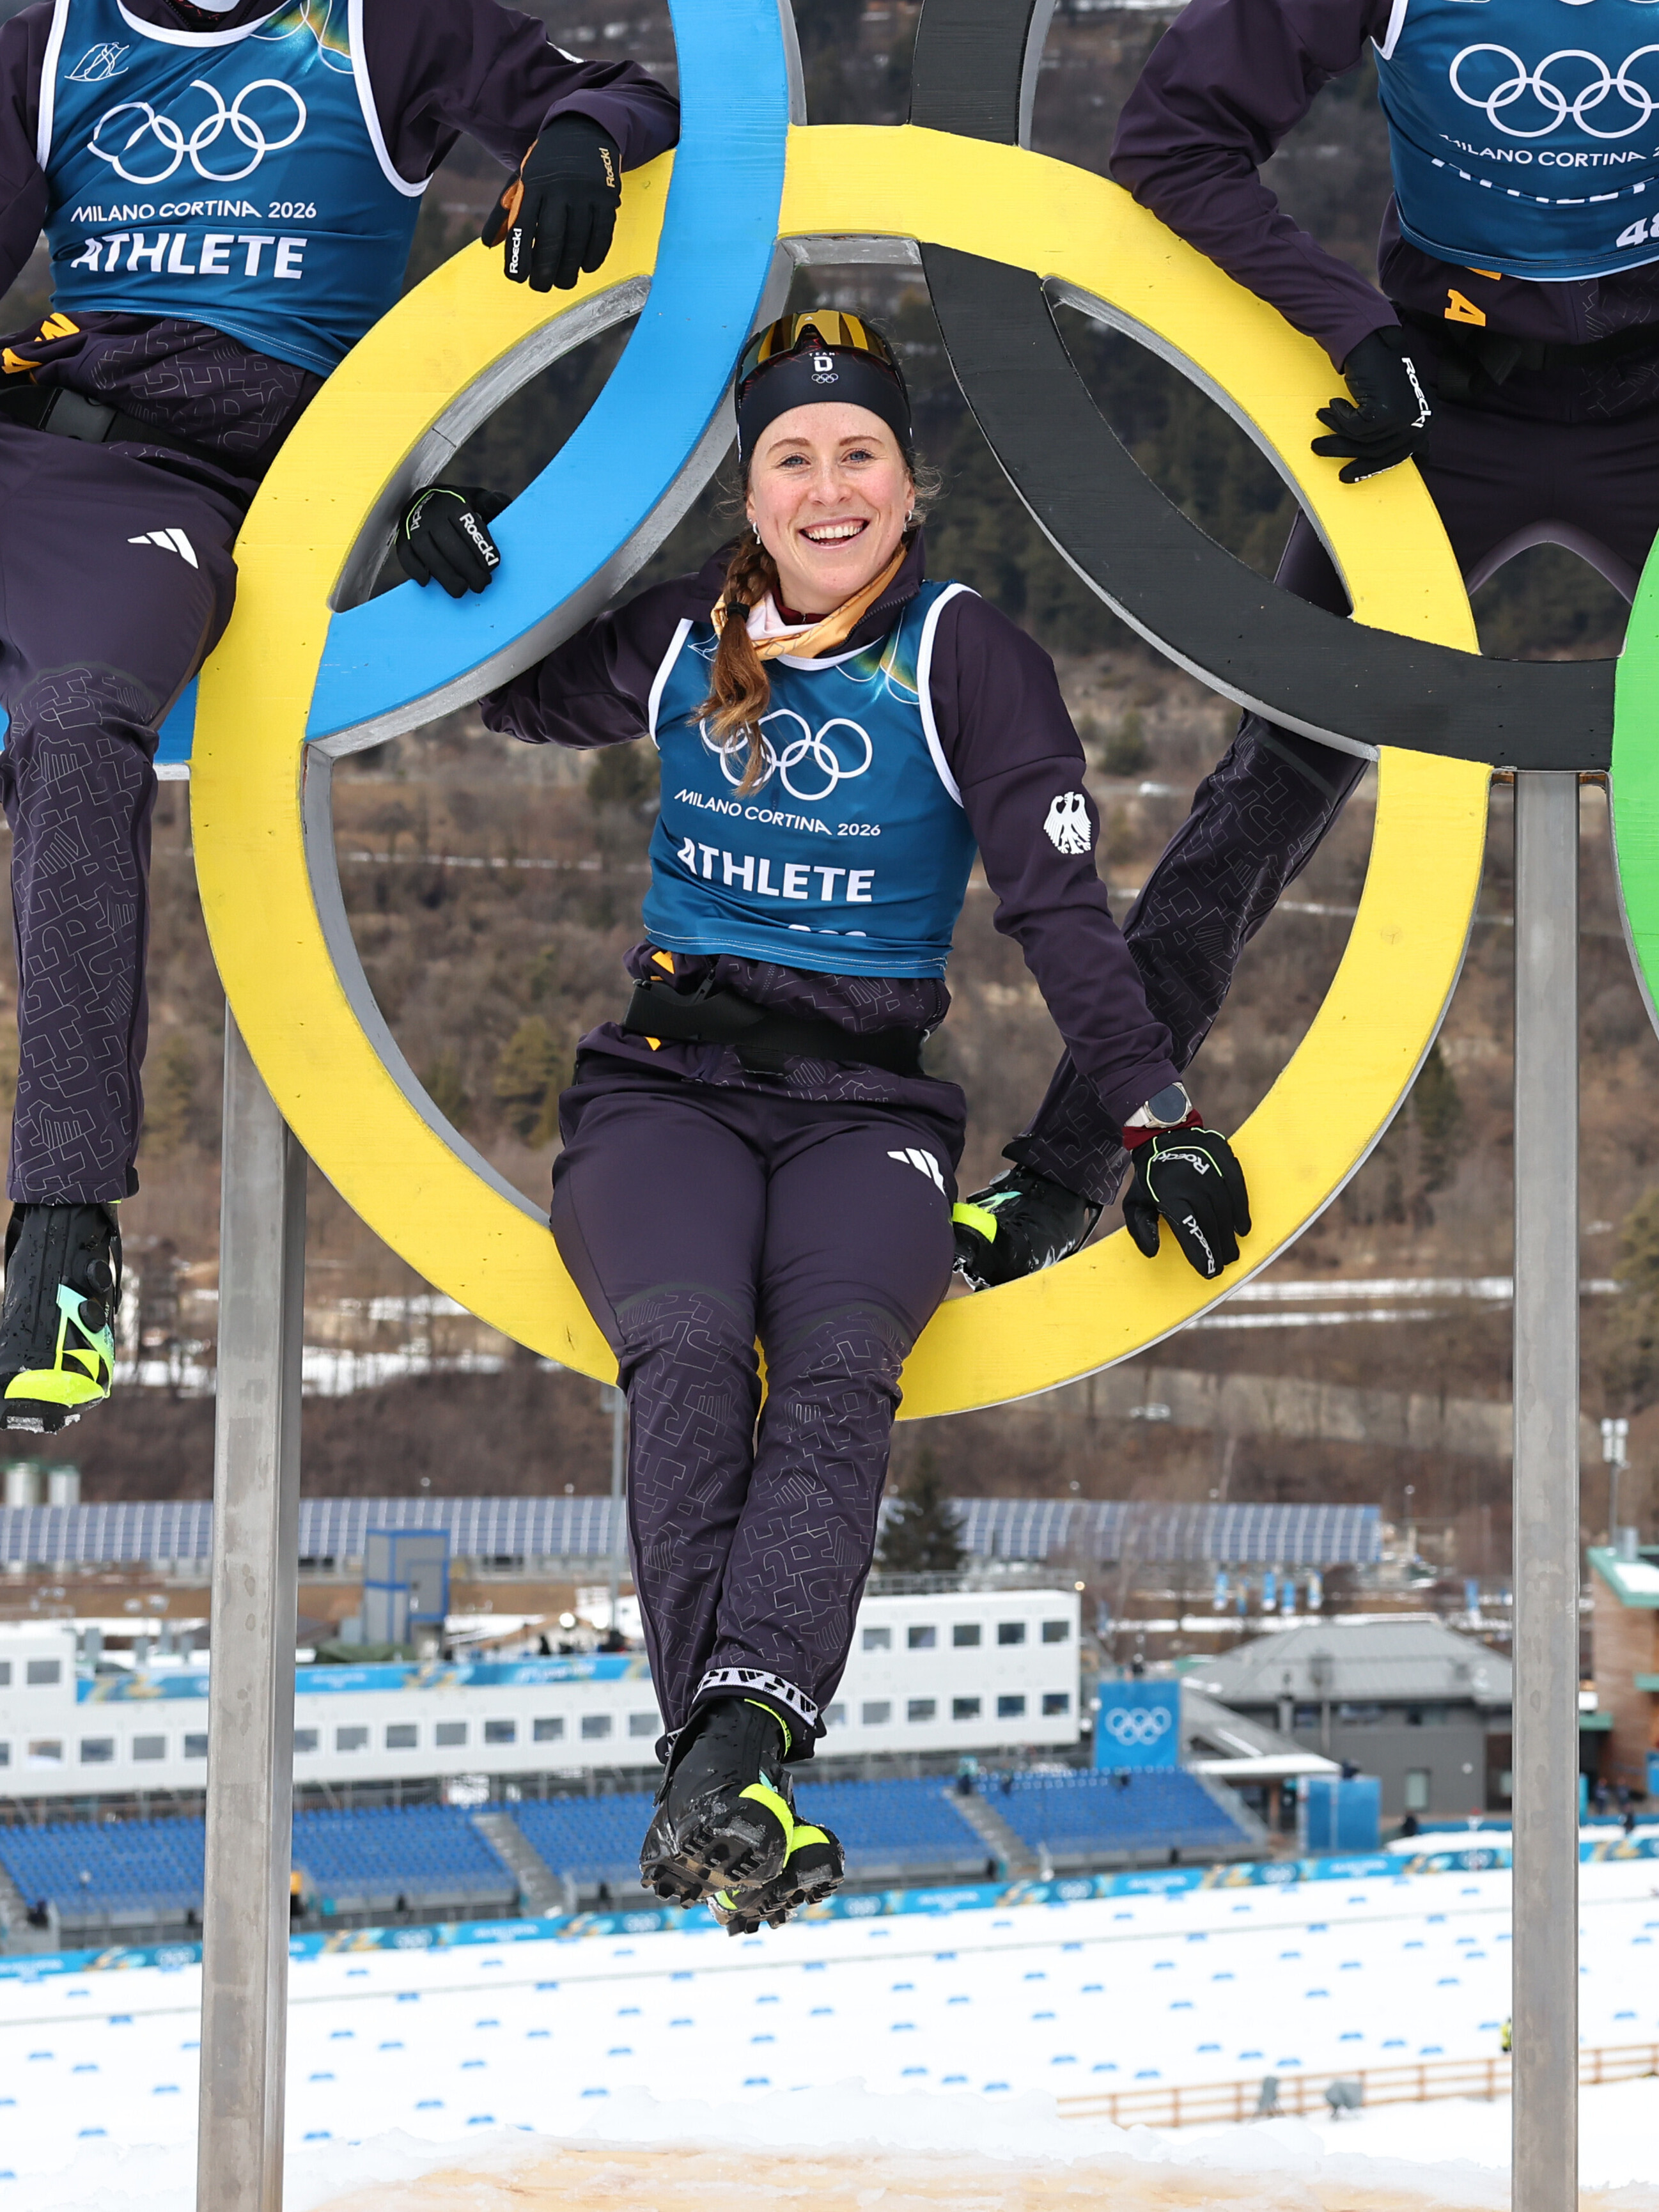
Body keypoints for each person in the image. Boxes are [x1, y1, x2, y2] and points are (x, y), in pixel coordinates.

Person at [416, 309, 1250, 1933]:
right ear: (749, 493)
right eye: (791, 458)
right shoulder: (683, 636)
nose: (826, 487)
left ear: (908, 479)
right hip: (667, 1082)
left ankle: (725, 1756)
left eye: (858, 451)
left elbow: (1056, 910)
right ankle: (733, 1759)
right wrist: (457, 551)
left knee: (841, 1365)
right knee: (681, 1344)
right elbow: (500, 691)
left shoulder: (961, 654)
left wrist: (1156, 1115)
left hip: (864, 1103)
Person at [0, 0, 677, 1431]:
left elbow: (629, 94)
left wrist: (579, 138)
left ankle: (61, 1231)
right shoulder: (51, 40)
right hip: (30, 430)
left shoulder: (378, 27)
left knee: (79, 719)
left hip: (190, 484)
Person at [950, 0, 1659, 1280]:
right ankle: (1064, 1172)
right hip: (1436, 404)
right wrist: (1351, 326)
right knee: (1268, 788)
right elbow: (1171, 143)